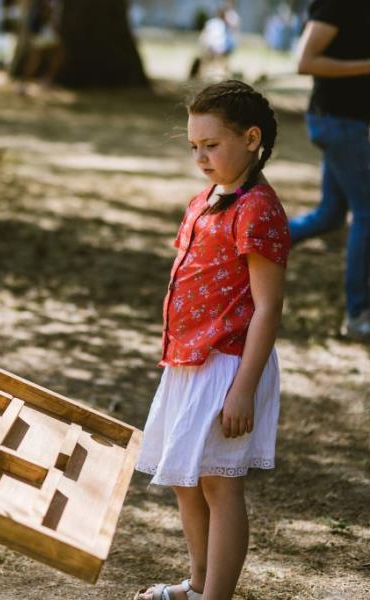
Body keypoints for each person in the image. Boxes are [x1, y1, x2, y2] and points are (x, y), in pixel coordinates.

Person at [134, 80, 290, 600]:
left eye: (211, 145)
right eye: (193, 146)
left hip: (228, 364)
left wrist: (243, 388)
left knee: (220, 484)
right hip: (188, 360)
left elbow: (268, 307)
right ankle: (199, 584)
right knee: (186, 478)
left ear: (251, 139)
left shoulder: (258, 208)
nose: (200, 157)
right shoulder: (204, 200)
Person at [289, 0, 370, 341]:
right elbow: (305, 61)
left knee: (330, 215)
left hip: (349, 124)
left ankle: (250, 245)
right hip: (336, 122)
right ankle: (358, 315)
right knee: (367, 214)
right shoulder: (338, 3)